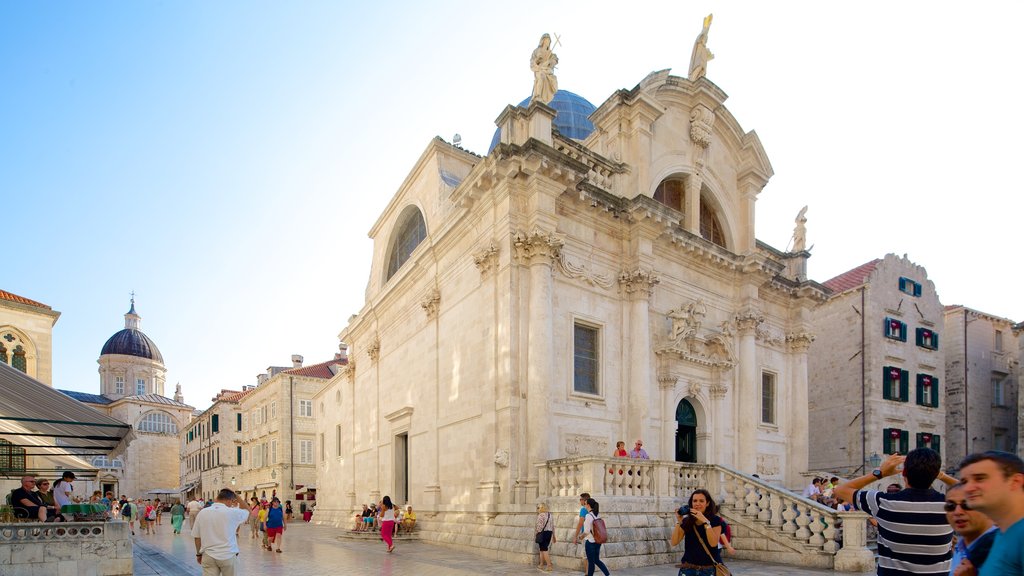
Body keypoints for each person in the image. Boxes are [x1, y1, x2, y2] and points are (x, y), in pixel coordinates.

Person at [834, 449, 958, 575]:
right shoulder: (950, 505)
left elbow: (840, 490)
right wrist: (942, 475)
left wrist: (879, 473)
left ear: (904, 473)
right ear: (935, 474)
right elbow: (973, 492)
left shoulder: (883, 503)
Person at [958, 450, 1024, 576]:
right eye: (964, 482)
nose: (967, 488)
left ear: (1015, 481)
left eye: (980, 478)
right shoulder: (1003, 533)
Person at [191, 488, 251, 575]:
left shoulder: (203, 513)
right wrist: (237, 496)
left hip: (208, 555)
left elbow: (197, 537)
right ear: (230, 500)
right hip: (228, 555)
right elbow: (248, 511)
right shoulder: (232, 512)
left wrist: (198, 554)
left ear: (216, 498)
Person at [944, 482, 997, 576]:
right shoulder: (960, 547)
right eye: (950, 506)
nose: (957, 512)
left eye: (967, 504)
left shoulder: (1004, 549)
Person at [670, 489, 724, 576]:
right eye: (694, 501)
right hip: (688, 569)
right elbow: (674, 542)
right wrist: (679, 521)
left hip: (708, 570)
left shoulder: (715, 520)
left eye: (701, 501)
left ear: (707, 503)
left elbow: (713, 543)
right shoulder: (687, 521)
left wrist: (706, 522)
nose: (697, 503)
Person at [581, 497, 610, 576]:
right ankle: (608, 574)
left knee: (591, 562)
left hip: (590, 542)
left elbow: (586, 531)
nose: (584, 505)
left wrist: (581, 537)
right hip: (598, 541)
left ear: (589, 505)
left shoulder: (588, 516)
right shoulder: (597, 515)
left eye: (585, 504)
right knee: (596, 560)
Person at [530, 33, 558, 104]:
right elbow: (532, 61)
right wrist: (537, 60)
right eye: (546, 40)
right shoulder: (537, 51)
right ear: (542, 41)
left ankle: (541, 97)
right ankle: (538, 95)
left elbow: (554, 61)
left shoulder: (550, 53)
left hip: (547, 70)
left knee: (545, 77)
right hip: (539, 69)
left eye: (549, 41)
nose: (547, 42)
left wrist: (549, 62)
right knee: (541, 76)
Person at [535, 502, 556, 571]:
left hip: (542, 533)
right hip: (549, 533)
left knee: (544, 549)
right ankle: (541, 564)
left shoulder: (541, 515)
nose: (537, 509)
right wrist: (554, 536)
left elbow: (539, 526)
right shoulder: (550, 515)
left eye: (538, 508)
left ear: (541, 508)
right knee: (542, 549)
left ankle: (549, 565)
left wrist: (537, 533)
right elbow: (553, 526)